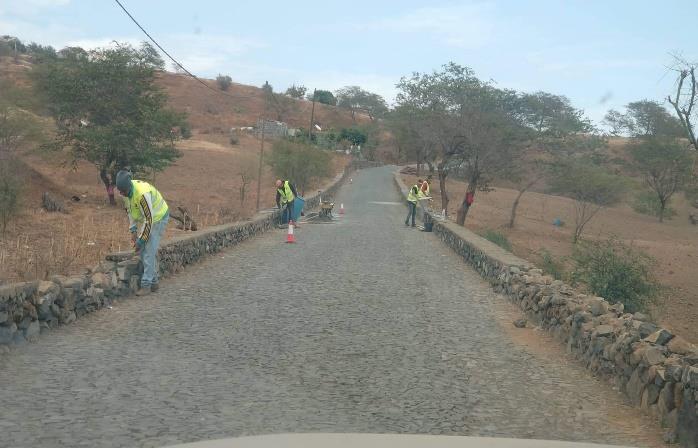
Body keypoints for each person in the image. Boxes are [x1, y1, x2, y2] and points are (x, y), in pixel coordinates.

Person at [115, 170, 170, 296]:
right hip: (150, 218)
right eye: (120, 191)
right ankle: (154, 282)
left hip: (159, 217)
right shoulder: (126, 193)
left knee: (148, 250)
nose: (121, 193)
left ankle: (146, 285)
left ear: (128, 187)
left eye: (123, 191)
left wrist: (141, 239)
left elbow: (149, 219)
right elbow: (130, 211)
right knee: (144, 249)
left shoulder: (142, 194)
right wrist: (133, 231)